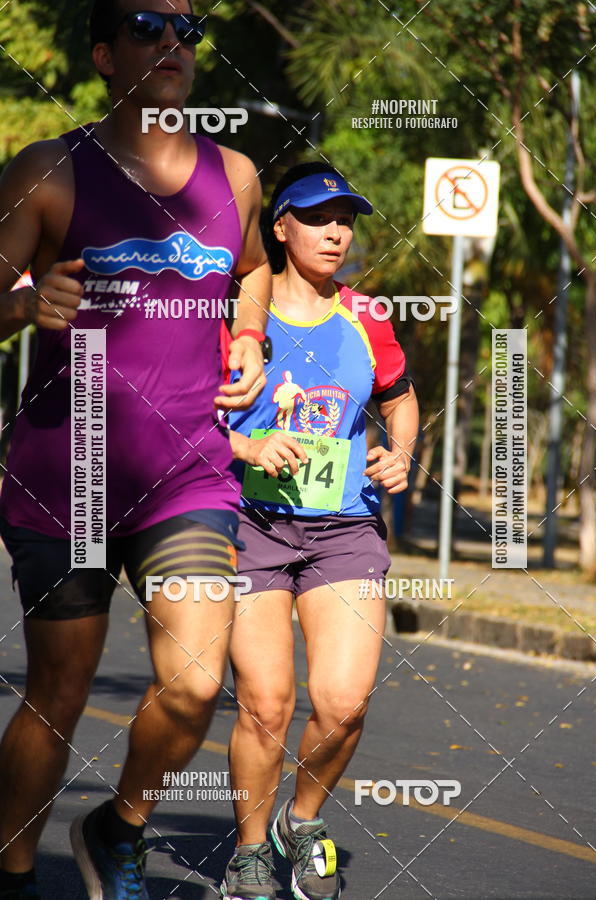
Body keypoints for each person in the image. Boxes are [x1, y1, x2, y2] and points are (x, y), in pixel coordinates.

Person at [0, 1, 271, 897]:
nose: (171, 44)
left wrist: (251, 334)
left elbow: (256, 267)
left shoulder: (233, 175)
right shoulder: (49, 171)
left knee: (195, 684)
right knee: (62, 689)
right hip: (66, 474)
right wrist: (24, 305)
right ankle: (9, 868)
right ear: (105, 53)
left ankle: (119, 826)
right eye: (148, 26)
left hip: (188, 473)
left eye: (186, 31)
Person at [221, 162, 419, 900]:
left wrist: (400, 453)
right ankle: (247, 853)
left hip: (344, 528)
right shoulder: (238, 313)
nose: (337, 231)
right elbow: (183, 415)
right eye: (317, 216)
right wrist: (246, 447)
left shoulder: (366, 316)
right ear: (280, 226)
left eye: (347, 219)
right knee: (266, 703)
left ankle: (298, 821)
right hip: (251, 524)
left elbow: (401, 397)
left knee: (343, 703)